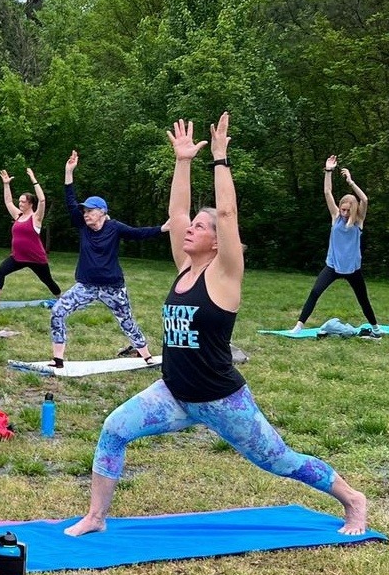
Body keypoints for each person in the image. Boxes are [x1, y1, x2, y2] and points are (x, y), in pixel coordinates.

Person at [64, 114, 368, 537]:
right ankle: (96, 517)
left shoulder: (225, 275)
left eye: (201, 227)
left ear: (217, 239)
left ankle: (353, 500)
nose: (191, 228)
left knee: (279, 460)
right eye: (193, 225)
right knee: (114, 429)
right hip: (173, 392)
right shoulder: (184, 267)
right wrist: (183, 161)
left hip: (222, 399)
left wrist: (220, 158)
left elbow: (225, 211)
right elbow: (175, 211)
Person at [47, 150, 167, 366]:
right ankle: (58, 360)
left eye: (90, 211)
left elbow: (138, 233)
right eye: (84, 211)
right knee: (58, 311)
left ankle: (147, 356)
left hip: (113, 287)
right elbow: (70, 201)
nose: (85, 214)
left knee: (126, 321)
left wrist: (163, 228)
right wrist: (68, 172)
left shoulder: (114, 227)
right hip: (86, 286)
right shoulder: (82, 226)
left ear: (102, 212)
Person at [292, 155, 381, 334]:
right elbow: (327, 193)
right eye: (343, 209)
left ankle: (376, 327)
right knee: (315, 292)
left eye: (348, 210)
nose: (345, 212)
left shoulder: (358, 221)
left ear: (353, 210)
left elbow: (364, 200)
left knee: (363, 298)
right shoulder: (335, 217)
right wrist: (328, 171)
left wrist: (351, 181)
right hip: (332, 266)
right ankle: (298, 326)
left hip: (352, 269)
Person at [0, 167, 62, 307]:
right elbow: (8, 202)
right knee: (1, 271)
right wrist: (6, 184)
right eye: (19, 201)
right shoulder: (18, 215)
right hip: (17, 257)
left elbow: (43, 200)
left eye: (23, 202)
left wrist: (33, 179)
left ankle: (61, 299)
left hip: (36, 258)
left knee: (48, 280)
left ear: (30, 204)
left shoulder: (36, 217)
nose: (19, 204)